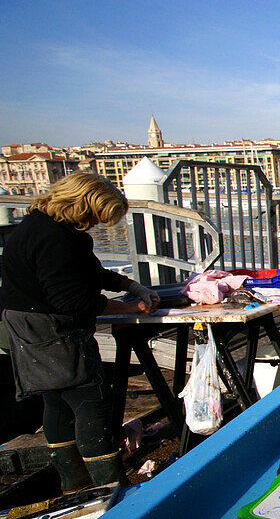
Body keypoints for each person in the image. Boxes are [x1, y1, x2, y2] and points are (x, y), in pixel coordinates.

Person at [0, 172, 160, 490]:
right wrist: (130, 307)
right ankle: (109, 486)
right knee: (92, 400)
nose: (97, 225)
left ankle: (73, 485)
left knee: (57, 401)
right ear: (84, 206)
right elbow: (76, 301)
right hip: (52, 333)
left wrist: (130, 284)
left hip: (25, 331)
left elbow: (88, 271)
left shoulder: (39, 226)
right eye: (98, 217)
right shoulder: (55, 239)